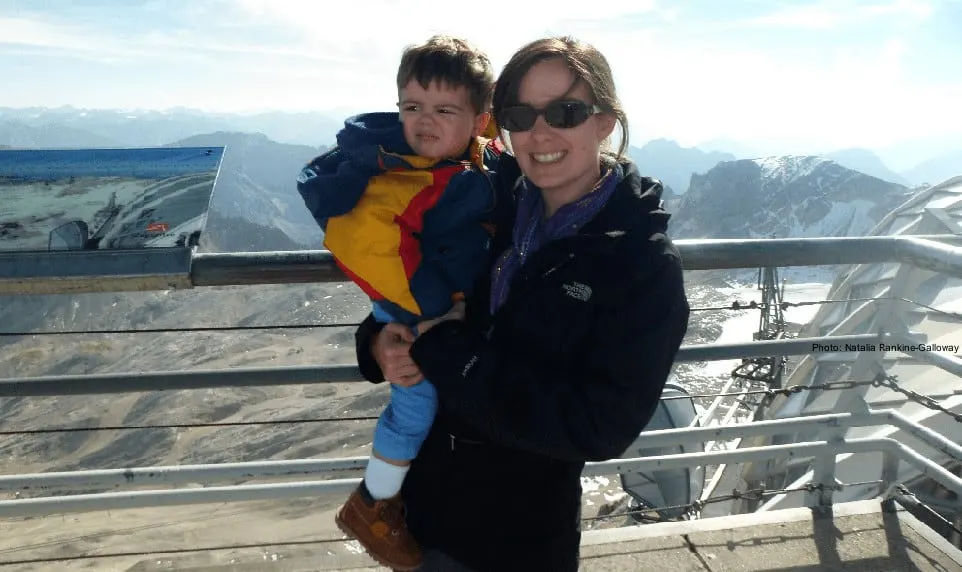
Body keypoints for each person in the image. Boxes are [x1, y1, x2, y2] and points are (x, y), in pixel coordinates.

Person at [353, 36, 691, 571]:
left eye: (565, 111)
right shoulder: (487, 199)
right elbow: (412, 285)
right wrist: (377, 345)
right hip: (426, 514)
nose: (540, 133)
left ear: (605, 122)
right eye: (520, 113)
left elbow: (599, 425)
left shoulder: (639, 263)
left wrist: (449, 352)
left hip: (518, 540)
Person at [296, 35, 504, 571]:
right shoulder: (403, 173)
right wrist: (435, 311)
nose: (424, 121)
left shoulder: (473, 163)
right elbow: (367, 244)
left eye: (443, 110)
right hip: (415, 312)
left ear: (480, 121)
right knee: (414, 407)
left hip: (429, 308)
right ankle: (372, 506)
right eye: (412, 107)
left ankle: (384, 499)